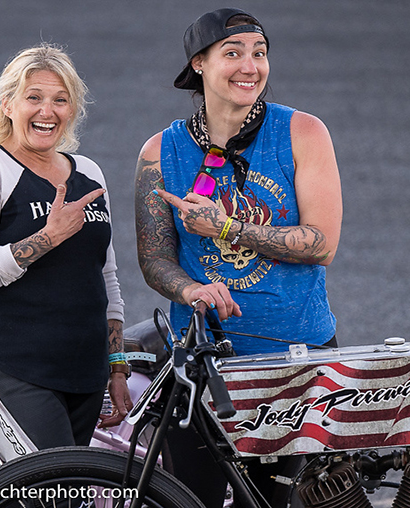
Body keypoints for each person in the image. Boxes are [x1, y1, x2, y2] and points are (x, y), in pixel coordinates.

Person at [134, 8, 342, 507]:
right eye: (233, 53)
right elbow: (155, 259)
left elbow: (323, 243)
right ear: (199, 64)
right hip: (202, 361)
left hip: (295, 357)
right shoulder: (159, 153)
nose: (250, 66)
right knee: (193, 498)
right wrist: (190, 289)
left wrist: (225, 227)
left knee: (273, 500)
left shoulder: (302, 132)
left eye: (259, 53)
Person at [0, 43, 131, 462]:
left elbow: (106, 276)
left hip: (84, 373)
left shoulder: (88, 172)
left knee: (70, 492)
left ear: (73, 109)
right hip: (14, 368)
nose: (47, 111)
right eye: (34, 98)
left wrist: (116, 365)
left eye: (60, 100)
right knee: (51, 489)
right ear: (9, 104)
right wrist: (47, 237)